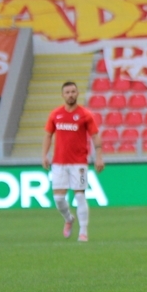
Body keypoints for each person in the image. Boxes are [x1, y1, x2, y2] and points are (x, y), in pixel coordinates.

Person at [42, 81, 105, 242]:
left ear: (77, 93)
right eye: (67, 92)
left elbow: (95, 136)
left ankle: (83, 232)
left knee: (80, 196)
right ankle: (69, 219)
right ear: (63, 95)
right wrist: (44, 155)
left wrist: (99, 157)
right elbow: (48, 135)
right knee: (58, 198)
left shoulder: (85, 115)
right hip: (59, 162)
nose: (70, 95)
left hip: (79, 163)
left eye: (73, 92)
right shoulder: (55, 115)